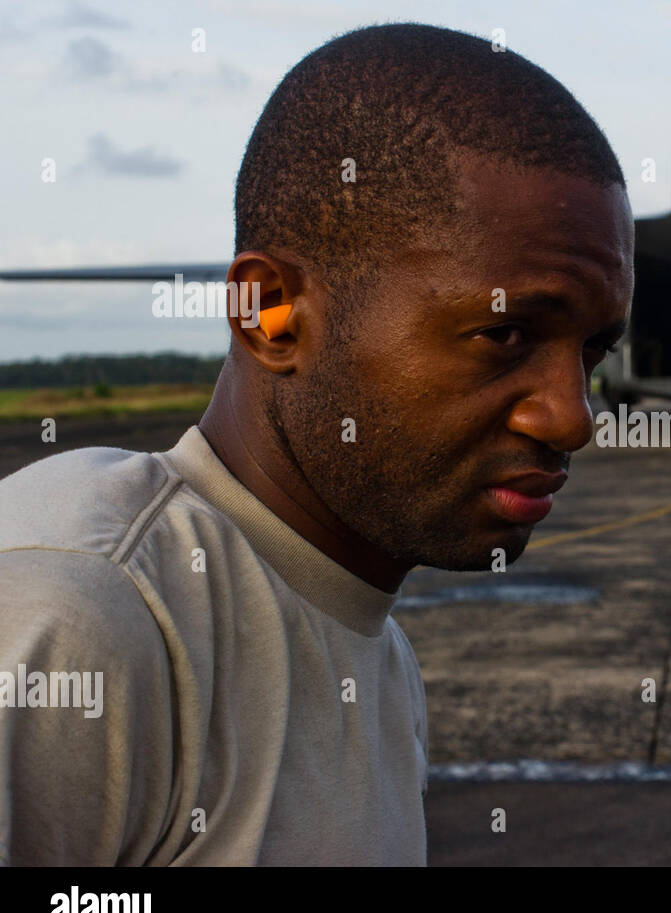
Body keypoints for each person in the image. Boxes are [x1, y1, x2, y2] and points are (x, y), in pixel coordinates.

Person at [0, 23, 634, 865]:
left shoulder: (373, 645)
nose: (571, 418)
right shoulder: (78, 613)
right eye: (506, 333)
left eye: (593, 352)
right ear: (269, 313)